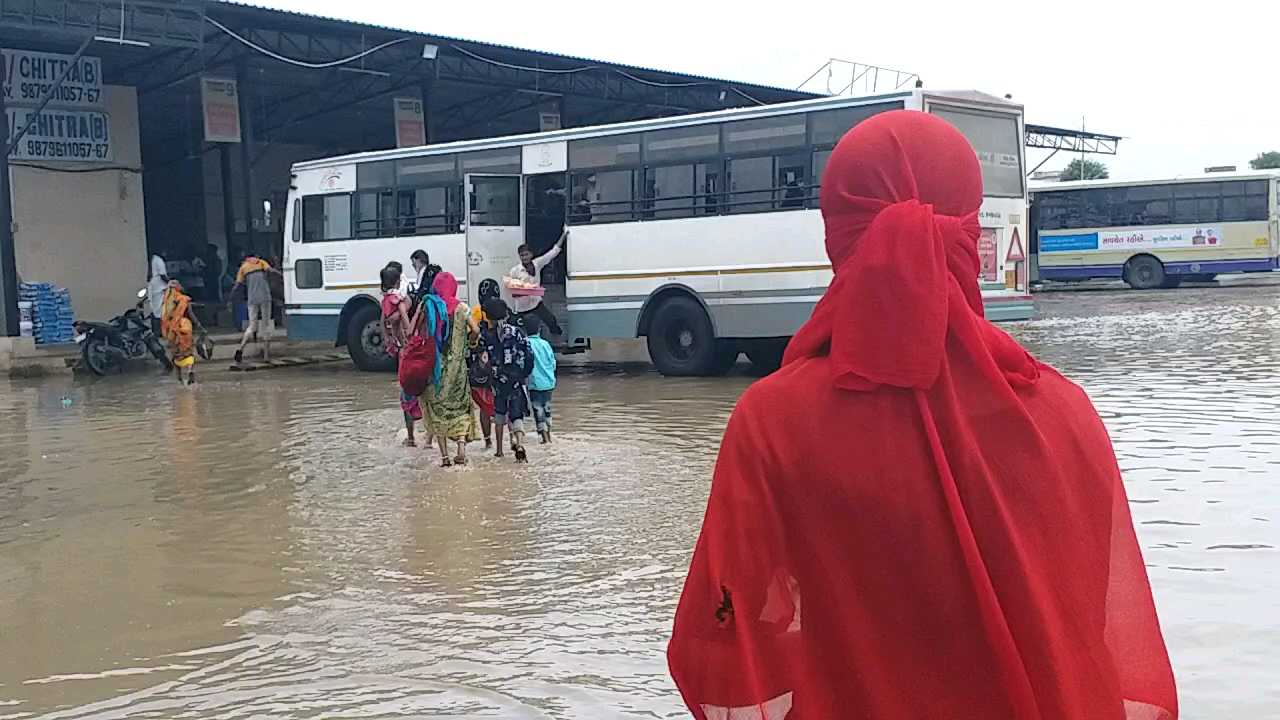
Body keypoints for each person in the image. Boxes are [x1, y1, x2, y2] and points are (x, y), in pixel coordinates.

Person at [667, 111, 1177, 720]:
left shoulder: (773, 422)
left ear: (838, 233)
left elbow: (725, 634)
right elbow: (1086, 614)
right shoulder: (1067, 414)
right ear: (970, 223)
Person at [421, 271, 476, 467]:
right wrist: (469, 342)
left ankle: (445, 458)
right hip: (458, 370)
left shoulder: (430, 307)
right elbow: (475, 330)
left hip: (435, 370)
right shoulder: (462, 308)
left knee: (438, 410)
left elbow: (421, 334)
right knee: (460, 407)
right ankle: (461, 447)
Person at [483, 298, 534, 462]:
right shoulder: (516, 331)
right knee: (516, 414)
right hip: (516, 379)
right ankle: (518, 443)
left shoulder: (488, 336)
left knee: (499, 415)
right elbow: (529, 353)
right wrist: (524, 373)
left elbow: (485, 360)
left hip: (498, 381)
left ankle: (499, 450)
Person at [381, 264, 420, 447]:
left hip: (401, 352)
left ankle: (411, 437)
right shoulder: (400, 300)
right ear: (398, 281)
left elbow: (383, 322)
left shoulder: (385, 300)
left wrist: (389, 338)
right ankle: (429, 435)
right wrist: (411, 332)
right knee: (420, 390)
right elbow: (404, 316)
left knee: (406, 393)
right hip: (409, 348)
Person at [508, 230, 566, 336]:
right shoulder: (514, 271)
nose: (524, 257)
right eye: (522, 255)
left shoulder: (537, 264)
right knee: (521, 331)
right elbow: (513, 293)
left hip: (536, 304)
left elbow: (553, 252)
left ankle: (558, 337)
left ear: (531, 254)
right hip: (522, 308)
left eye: (526, 254)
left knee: (551, 320)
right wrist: (527, 290)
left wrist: (564, 234)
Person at [468, 278, 502, 449]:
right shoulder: (504, 311)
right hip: (499, 367)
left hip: (480, 370)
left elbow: (470, 336)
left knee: (483, 406)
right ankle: (503, 443)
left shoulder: (475, 312)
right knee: (501, 404)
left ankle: (488, 441)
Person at [231, 254, 281, 364]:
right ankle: (266, 356)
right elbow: (271, 271)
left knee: (252, 326)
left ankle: (241, 349)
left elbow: (237, 285)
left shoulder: (243, 267)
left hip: (252, 299)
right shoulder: (261, 262)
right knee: (266, 325)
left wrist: (231, 296)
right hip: (265, 297)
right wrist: (281, 274)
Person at [523, 314, 557, 444]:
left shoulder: (525, 343)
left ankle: (545, 438)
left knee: (538, 410)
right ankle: (549, 434)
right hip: (548, 382)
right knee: (547, 408)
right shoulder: (545, 344)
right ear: (539, 329)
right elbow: (552, 363)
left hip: (534, 383)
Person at [161, 279, 199, 385]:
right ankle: (190, 370)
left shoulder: (165, 302)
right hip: (184, 327)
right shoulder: (183, 299)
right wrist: (199, 326)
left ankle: (179, 379)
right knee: (188, 351)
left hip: (170, 331)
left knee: (176, 353)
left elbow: (164, 318)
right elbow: (191, 314)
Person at [147, 253, 168, 338]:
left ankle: (157, 331)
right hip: (159, 286)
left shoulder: (152, 259)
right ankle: (159, 331)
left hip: (153, 285)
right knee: (160, 311)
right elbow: (163, 275)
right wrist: (170, 282)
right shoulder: (158, 260)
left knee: (154, 309)